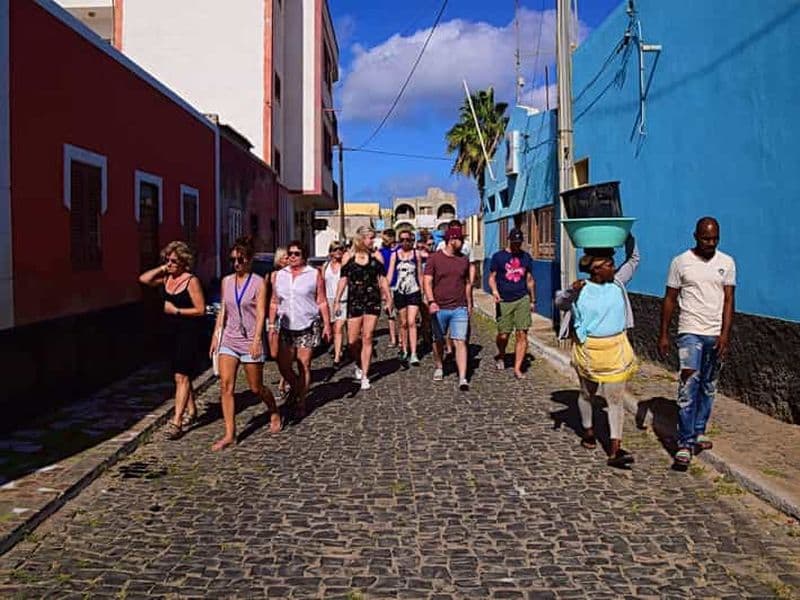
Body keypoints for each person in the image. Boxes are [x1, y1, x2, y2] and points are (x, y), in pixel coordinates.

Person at [555, 236, 640, 468]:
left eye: (613, 264)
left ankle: (615, 449)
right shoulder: (581, 288)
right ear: (595, 269)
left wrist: (627, 235)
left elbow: (633, 260)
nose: (614, 267)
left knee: (615, 399)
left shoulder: (617, 283)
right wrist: (571, 293)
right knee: (586, 394)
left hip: (616, 348)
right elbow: (560, 303)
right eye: (609, 264)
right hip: (590, 350)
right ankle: (589, 431)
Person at [658, 217, 736, 468]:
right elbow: (670, 299)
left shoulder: (727, 262)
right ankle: (684, 443)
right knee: (688, 385)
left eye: (714, 239)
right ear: (695, 236)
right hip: (689, 331)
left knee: (709, 386)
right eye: (705, 239)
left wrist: (725, 334)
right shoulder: (681, 262)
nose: (710, 243)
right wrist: (664, 333)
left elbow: (728, 300)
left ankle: (699, 430)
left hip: (715, 334)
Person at [208, 237, 280, 450]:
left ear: (249, 260)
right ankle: (230, 433)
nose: (236, 263)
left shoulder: (259, 282)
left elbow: (260, 314)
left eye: (240, 259)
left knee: (255, 387)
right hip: (229, 339)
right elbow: (223, 310)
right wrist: (216, 335)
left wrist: (258, 339)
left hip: (250, 339)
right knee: (225, 386)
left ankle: (274, 409)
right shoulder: (226, 281)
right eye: (233, 260)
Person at [138, 241, 206, 440]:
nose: (170, 263)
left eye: (174, 261)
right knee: (180, 375)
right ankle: (192, 411)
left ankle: (177, 421)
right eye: (167, 260)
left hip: (189, 332)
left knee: (181, 377)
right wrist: (162, 268)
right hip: (170, 332)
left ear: (184, 262)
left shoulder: (191, 281)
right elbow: (143, 279)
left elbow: (201, 310)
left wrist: (176, 311)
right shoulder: (167, 278)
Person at [269, 241, 332, 421]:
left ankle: (301, 402)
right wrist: (271, 325)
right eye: (290, 254)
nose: (292, 257)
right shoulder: (279, 275)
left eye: (296, 253)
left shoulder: (313, 274)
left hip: (308, 324)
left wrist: (327, 324)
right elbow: (274, 301)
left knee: (303, 365)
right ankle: (297, 388)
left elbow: (321, 300)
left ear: (304, 255)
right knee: (283, 365)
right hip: (286, 326)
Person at [334, 227, 393, 391]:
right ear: (361, 238)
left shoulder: (376, 256)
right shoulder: (349, 257)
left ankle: (365, 375)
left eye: (373, 238)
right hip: (355, 301)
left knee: (367, 336)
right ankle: (359, 362)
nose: (373, 241)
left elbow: (382, 280)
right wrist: (337, 300)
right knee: (352, 340)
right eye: (370, 238)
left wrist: (388, 299)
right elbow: (343, 279)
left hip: (372, 301)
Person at [424, 224, 472, 391]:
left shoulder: (464, 260)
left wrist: (469, 304)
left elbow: (467, 284)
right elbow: (427, 281)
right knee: (438, 340)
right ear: (451, 240)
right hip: (439, 307)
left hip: (459, 307)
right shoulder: (434, 259)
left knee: (460, 341)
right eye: (460, 239)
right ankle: (439, 365)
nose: (462, 242)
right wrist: (431, 301)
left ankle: (463, 377)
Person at [489, 228, 536, 379]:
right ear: (509, 240)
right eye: (514, 242)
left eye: (519, 242)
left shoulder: (526, 257)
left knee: (522, 333)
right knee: (503, 335)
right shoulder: (498, 257)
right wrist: (495, 292)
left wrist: (532, 299)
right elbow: (492, 277)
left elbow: (529, 279)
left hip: (522, 297)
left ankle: (517, 368)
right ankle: (501, 355)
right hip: (504, 299)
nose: (517, 245)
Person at [387, 229, 423, 365]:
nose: (404, 242)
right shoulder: (395, 255)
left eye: (407, 239)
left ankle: (414, 353)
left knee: (412, 321)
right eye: (401, 240)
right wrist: (386, 293)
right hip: (399, 291)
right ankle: (405, 349)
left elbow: (420, 273)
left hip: (413, 290)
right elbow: (390, 274)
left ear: (412, 240)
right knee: (403, 323)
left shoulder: (416, 254)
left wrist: (422, 291)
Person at [268, 247, 289, 397]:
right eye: (285, 257)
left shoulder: (294, 276)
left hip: (289, 316)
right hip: (275, 315)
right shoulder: (273, 275)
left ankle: (284, 381)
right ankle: (286, 374)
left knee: (285, 351)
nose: (288, 260)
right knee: (274, 353)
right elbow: (271, 297)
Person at [323, 240, 347, 368]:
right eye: (334, 249)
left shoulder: (345, 265)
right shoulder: (325, 266)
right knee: (333, 327)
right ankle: (341, 348)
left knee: (338, 327)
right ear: (330, 252)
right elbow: (321, 284)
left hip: (343, 299)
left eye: (340, 249)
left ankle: (337, 357)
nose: (337, 252)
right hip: (328, 299)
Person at [378, 228, 399, 348]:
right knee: (390, 313)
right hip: (386, 284)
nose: (383, 240)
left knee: (401, 313)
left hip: (399, 283)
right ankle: (393, 338)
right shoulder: (380, 252)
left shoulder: (398, 250)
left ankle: (401, 338)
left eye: (385, 238)